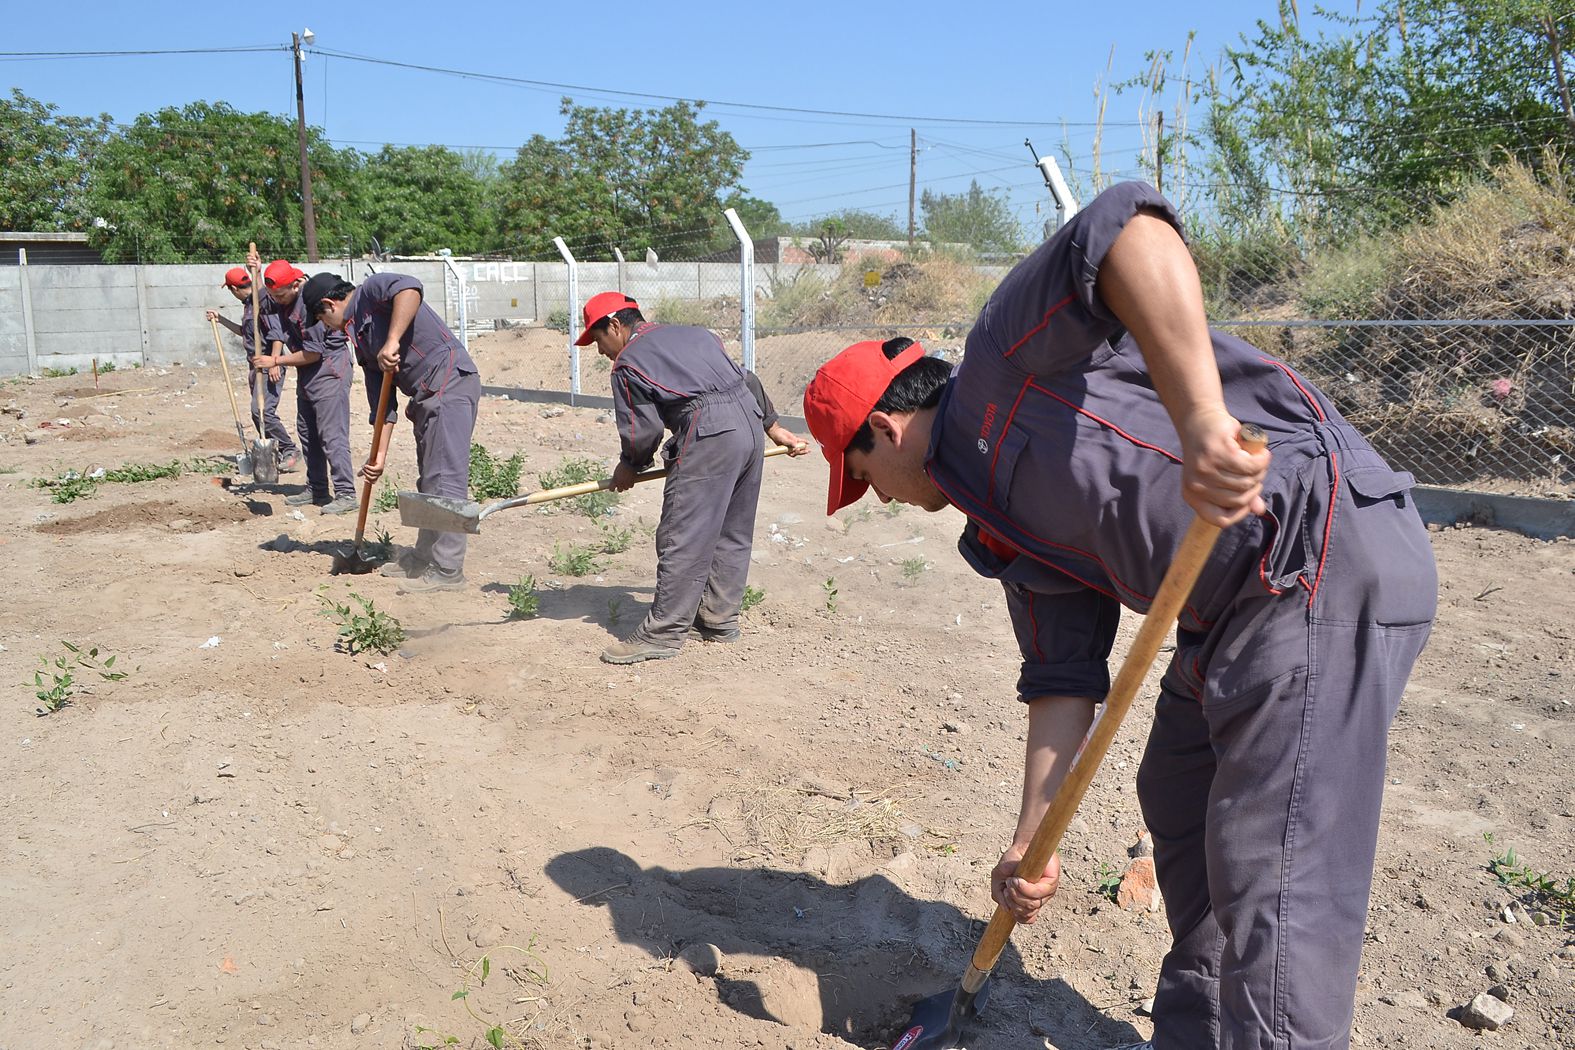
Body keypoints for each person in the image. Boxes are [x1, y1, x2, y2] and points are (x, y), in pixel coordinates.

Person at [800, 182, 1437, 1050]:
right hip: (1229, 613)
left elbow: (1130, 232)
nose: (873, 498)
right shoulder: (995, 525)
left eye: (861, 477)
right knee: (1176, 792)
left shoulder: (999, 359)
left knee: (1273, 872)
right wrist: (1031, 841)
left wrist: (1202, 419)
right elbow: (1062, 679)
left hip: (1311, 549)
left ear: (880, 428)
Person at [575, 292, 809, 664]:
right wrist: (774, 428)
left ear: (615, 326)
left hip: (710, 432)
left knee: (682, 534)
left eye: (598, 339)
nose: (601, 350)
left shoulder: (628, 363)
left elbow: (642, 431)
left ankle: (663, 633)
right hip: (748, 425)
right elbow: (745, 378)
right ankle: (719, 619)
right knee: (732, 530)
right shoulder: (696, 334)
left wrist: (629, 467)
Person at [303, 270, 481, 594]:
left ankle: (448, 570)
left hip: (449, 382)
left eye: (320, 319)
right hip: (428, 396)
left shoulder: (370, 291)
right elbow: (382, 406)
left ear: (328, 306)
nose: (325, 328)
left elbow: (411, 288)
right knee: (430, 481)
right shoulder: (360, 339)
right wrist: (379, 456)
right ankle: (424, 558)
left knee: (445, 479)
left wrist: (393, 339)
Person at [248, 257, 357, 516]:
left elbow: (313, 353)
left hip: (328, 367)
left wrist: (275, 360)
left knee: (331, 434)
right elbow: (259, 300)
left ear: (295, 285)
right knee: (307, 432)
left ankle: (346, 493)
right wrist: (255, 272)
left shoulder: (311, 307)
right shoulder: (280, 298)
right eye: (273, 295)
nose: (276, 300)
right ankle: (317, 489)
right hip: (308, 373)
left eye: (280, 295)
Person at [205, 264, 300, 473]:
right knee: (258, 414)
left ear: (234, 289)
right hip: (255, 366)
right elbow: (245, 332)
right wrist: (221, 320)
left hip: (268, 364)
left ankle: (290, 450)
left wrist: (275, 360)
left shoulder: (260, 302)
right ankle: (272, 453)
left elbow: (277, 332)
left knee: (263, 411)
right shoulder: (249, 305)